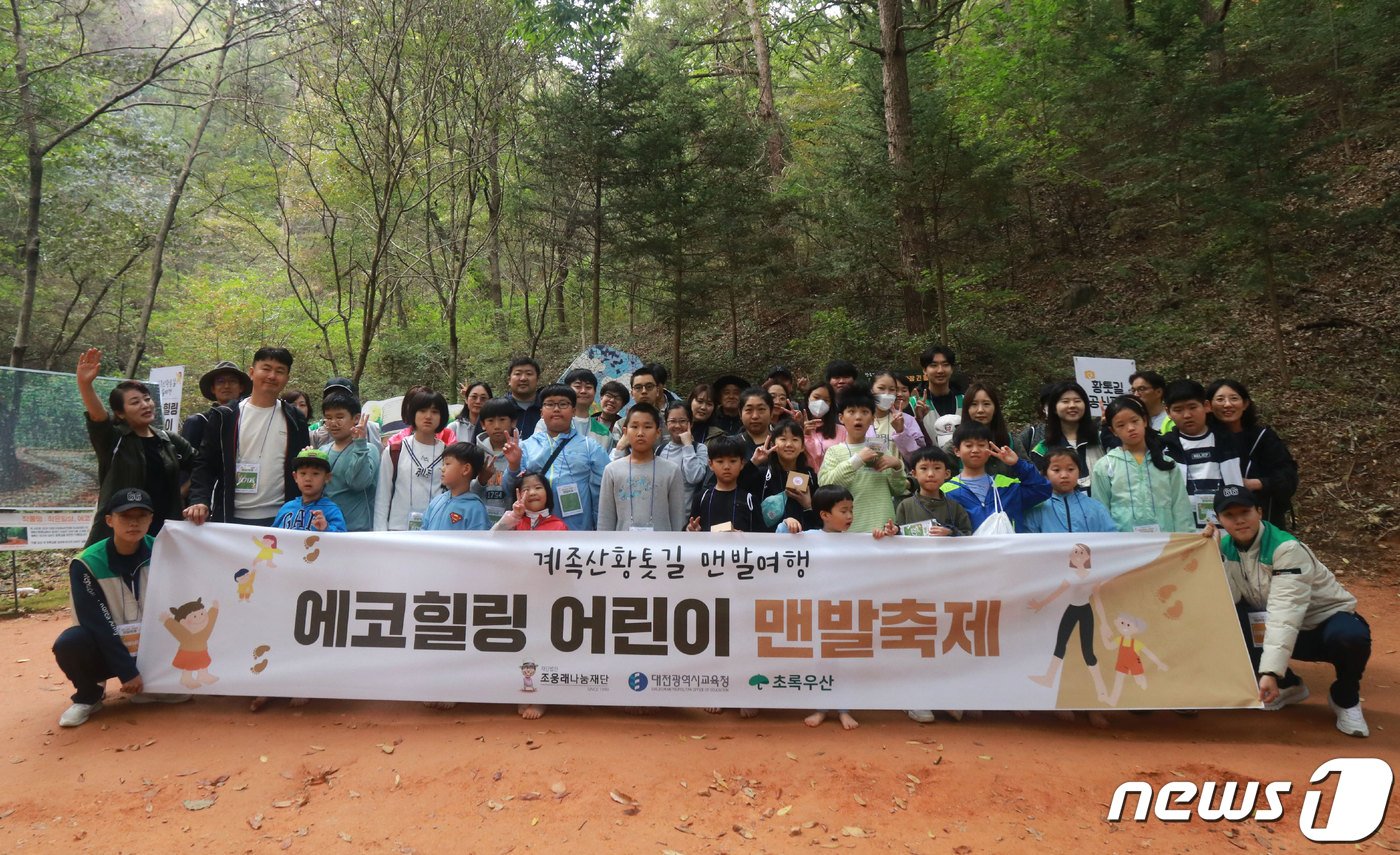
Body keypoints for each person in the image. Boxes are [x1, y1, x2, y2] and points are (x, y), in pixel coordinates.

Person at [1208, 485, 1371, 737]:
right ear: (1219, 520)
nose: (1239, 520)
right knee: (1230, 618)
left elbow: (1285, 612)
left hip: (1322, 624)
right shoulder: (1226, 548)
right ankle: (1289, 686)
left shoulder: (1286, 549)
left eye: (1245, 511)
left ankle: (1345, 698)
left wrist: (1269, 671)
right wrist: (1212, 555)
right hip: (1276, 625)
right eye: (1229, 515)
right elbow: (1231, 599)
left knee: (1351, 637)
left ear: (1259, 512)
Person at [52, 489, 190, 727]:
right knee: (71, 642)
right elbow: (96, 623)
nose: (134, 522)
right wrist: (127, 671)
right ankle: (89, 696)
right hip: (108, 647)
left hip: (152, 648)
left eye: (141, 515)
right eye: (125, 516)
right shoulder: (86, 563)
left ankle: (154, 687)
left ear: (151, 519)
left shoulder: (164, 553)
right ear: (109, 520)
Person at [75, 348, 194, 545]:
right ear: (120, 413)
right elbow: (98, 417)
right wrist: (85, 385)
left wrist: (181, 492)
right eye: (135, 402)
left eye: (147, 399)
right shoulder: (113, 439)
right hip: (122, 533)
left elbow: (201, 465)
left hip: (165, 531)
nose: (145, 405)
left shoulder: (168, 440)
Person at [185, 347, 310, 527]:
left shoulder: (294, 418)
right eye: (266, 369)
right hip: (231, 516)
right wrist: (199, 500)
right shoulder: (225, 416)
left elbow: (303, 466)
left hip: (282, 517)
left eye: (279, 371)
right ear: (252, 373)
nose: (272, 376)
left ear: (287, 378)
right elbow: (205, 463)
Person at [783, 485, 862, 731]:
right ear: (825, 515)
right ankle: (821, 708)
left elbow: (886, 546)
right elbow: (778, 539)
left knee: (844, 662)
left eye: (851, 510)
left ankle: (843, 709)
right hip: (818, 611)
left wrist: (885, 534)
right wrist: (787, 522)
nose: (849, 516)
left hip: (846, 610)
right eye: (843, 511)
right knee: (821, 662)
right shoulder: (811, 537)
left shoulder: (861, 542)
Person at [504, 385, 611, 531]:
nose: (556, 409)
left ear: (573, 411)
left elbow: (603, 494)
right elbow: (509, 488)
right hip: (534, 532)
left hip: (577, 533)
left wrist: (602, 533)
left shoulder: (590, 447)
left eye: (563, 404)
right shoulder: (526, 447)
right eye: (549, 404)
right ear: (541, 412)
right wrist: (513, 465)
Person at [1091, 396, 1194, 533]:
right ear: (1113, 431)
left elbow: (1180, 508)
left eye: (1135, 421)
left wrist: (1186, 543)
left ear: (1144, 421)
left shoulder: (1167, 463)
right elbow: (1101, 511)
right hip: (1124, 547)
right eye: (1121, 425)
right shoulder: (1105, 466)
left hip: (1166, 544)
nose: (1130, 428)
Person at [1207, 378, 1298, 531]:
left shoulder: (1263, 437)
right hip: (1216, 520)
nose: (1227, 404)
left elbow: (1288, 476)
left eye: (1234, 398)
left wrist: (1255, 484)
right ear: (1208, 405)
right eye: (1220, 399)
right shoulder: (1204, 440)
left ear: (1245, 404)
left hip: (1262, 517)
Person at [817, 385, 907, 533]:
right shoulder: (834, 451)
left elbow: (898, 489)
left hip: (883, 530)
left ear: (872, 419)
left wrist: (897, 466)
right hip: (849, 533)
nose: (858, 417)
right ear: (841, 418)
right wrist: (857, 460)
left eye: (864, 412)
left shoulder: (880, 448)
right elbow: (825, 486)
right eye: (851, 412)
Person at [1163, 379, 1244, 530]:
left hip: (1227, 526)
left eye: (1193, 407)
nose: (1187, 415)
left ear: (1206, 406)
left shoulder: (1227, 440)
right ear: (1168, 412)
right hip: (1183, 529)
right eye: (1178, 410)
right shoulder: (1165, 446)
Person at [942, 422, 1052, 532]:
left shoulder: (1007, 486)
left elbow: (1042, 490)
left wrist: (1017, 464)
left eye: (981, 445)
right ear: (957, 451)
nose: (975, 450)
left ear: (989, 449)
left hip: (1009, 549)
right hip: (968, 549)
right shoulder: (946, 492)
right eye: (968, 445)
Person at [598, 404, 688, 531]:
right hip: (622, 549)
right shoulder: (612, 470)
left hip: (661, 548)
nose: (640, 433)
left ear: (658, 433)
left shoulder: (671, 471)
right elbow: (605, 520)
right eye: (634, 427)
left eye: (647, 427)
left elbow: (678, 519)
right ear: (625, 432)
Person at [374, 388, 451, 531]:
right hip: (398, 533)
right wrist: (381, 536)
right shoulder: (394, 451)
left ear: (442, 416)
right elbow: (382, 498)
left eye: (435, 412)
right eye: (422, 410)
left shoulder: (449, 454)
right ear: (413, 413)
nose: (428, 416)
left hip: (436, 532)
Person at [1029, 380, 1104, 492]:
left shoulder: (1101, 439)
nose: (1072, 405)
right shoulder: (1042, 449)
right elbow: (1039, 489)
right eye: (1065, 401)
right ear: (1054, 408)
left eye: (1077, 401)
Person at [318, 393, 378, 532]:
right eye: (328, 418)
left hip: (357, 531)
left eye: (340, 417)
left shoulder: (369, 449)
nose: (333, 422)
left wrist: (360, 444)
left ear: (356, 418)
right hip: (327, 528)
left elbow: (358, 483)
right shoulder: (323, 450)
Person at [1023, 449, 1118, 534]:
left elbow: (1110, 540)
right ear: (1045, 474)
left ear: (1079, 472)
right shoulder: (1036, 509)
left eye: (1070, 469)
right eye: (1056, 470)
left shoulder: (1095, 508)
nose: (1064, 475)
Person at [752, 419, 820, 533]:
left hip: (804, 544)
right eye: (783, 439)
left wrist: (808, 505)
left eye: (795, 440)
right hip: (769, 543)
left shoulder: (810, 476)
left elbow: (819, 519)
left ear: (802, 447)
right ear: (773, 445)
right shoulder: (762, 474)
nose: (789, 444)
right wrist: (754, 462)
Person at [894, 446, 972, 536]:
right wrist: (893, 531)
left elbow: (967, 536)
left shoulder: (955, 508)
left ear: (947, 474)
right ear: (914, 474)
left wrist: (951, 533)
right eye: (924, 468)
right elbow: (898, 538)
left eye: (937, 468)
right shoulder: (905, 506)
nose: (930, 474)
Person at [182, 360, 251, 459]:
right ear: (213, 388)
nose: (226, 386)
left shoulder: (249, 419)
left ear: (241, 388)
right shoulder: (198, 422)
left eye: (232, 381)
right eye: (220, 382)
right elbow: (187, 464)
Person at [686, 435, 756, 531]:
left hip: (740, 546)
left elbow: (761, 534)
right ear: (710, 464)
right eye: (720, 461)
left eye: (733, 461)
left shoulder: (749, 499)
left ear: (742, 464)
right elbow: (691, 526)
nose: (726, 466)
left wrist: (743, 535)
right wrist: (691, 529)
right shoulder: (701, 498)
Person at [272, 448, 348, 532]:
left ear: (327, 477)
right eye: (303, 473)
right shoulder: (287, 507)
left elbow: (342, 539)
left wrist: (326, 528)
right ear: (295, 477)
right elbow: (272, 536)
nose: (308, 478)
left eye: (315, 473)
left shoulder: (331, 510)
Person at [960, 382, 1023, 478]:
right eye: (974, 404)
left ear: (995, 408)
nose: (980, 410)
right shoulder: (955, 444)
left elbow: (1031, 479)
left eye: (986, 404)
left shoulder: (1011, 441)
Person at [422, 442, 490, 531]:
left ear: (466, 469)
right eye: (443, 464)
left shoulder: (475, 508)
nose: (442, 468)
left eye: (447, 464)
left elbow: (477, 542)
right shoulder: (436, 501)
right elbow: (423, 531)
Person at [473, 397, 517, 526]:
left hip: (512, 525)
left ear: (513, 422)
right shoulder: (475, 453)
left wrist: (515, 466)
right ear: (482, 424)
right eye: (490, 421)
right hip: (479, 524)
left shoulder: (522, 451)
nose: (497, 426)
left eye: (502, 420)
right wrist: (481, 480)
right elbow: (466, 492)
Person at [658, 402, 710, 510]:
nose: (677, 426)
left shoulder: (699, 448)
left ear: (690, 424)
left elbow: (694, 477)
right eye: (672, 421)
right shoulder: (660, 450)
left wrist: (688, 445)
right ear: (666, 424)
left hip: (689, 516)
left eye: (682, 421)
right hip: (664, 513)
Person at [310, 377, 383, 449]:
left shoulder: (371, 428)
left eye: (342, 395)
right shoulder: (316, 434)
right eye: (330, 396)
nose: (335, 399)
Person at [869, 370, 926, 461]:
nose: (886, 393)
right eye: (881, 388)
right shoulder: (861, 419)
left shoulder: (908, 420)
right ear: (871, 390)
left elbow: (918, 457)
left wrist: (901, 431)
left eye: (892, 389)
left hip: (900, 474)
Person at [492, 470, 569, 532]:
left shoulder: (559, 526)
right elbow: (492, 538)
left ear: (547, 493)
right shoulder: (513, 523)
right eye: (526, 489)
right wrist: (515, 516)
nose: (532, 493)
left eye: (538, 488)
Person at [915, 346, 963, 434]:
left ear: (952, 369)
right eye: (934, 365)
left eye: (945, 365)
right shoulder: (914, 404)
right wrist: (918, 420)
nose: (940, 370)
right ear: (925, 370)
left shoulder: (964, 401)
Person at [563, 369, 613, 449]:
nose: (583, 391)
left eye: (588, 387)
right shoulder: (551, 422)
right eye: (577, 386)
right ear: (566, 390)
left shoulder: (604, 432)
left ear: (595, 392)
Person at [801, 382, 841, 471]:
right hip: (806, 481)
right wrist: (806, 435)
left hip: (833, 482)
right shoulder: (797, 428)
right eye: (816, 397)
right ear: (808, 398)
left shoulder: (842, 431)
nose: (821, 403)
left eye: (826, 400)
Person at [506, 356, 544, 437]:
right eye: (518, 374)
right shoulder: (497, 408)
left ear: (537, 379)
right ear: (509, 380)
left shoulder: (548, 408)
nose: (523, 378)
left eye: (529, 374)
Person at [455, 380, 493, 445]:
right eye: (474, 397)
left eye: (483, 398)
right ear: (466, 399)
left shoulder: (494, 428)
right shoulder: (454, 427)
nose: (478, 401)